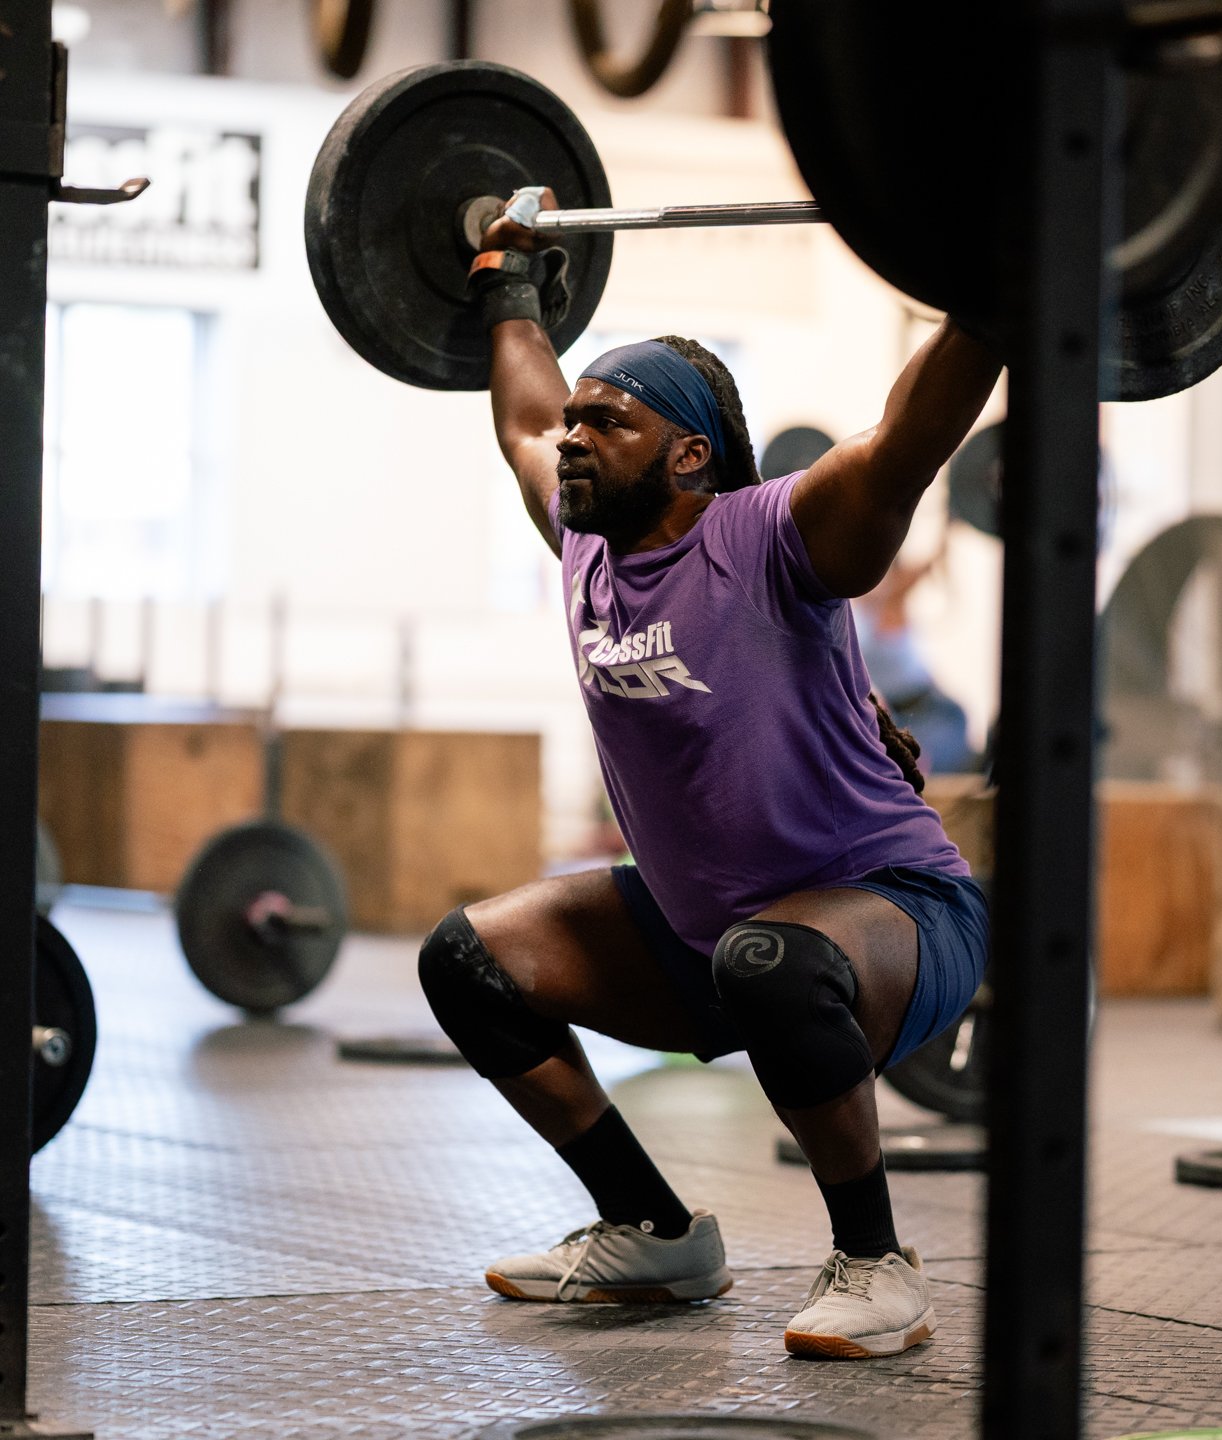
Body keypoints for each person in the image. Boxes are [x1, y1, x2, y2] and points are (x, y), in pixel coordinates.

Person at [416, 185, 1000, 1360]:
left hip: (894, 916)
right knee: (468, 963)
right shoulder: (581, 540)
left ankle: (877, 1265)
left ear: (688, 453)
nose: (573, 437)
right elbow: (524, 411)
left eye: (608, 422)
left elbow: (903, 446)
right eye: (578, 420)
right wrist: (510, 276)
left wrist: (996, 285)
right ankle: (651, 1229)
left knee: (770, 961)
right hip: (705, 934)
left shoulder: (773, 535)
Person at [853, 546, 977, 778]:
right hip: (912, 714)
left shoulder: (882, 602)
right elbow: (913, 575)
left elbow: (915, 572)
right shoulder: (880, 602)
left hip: (931, 707)